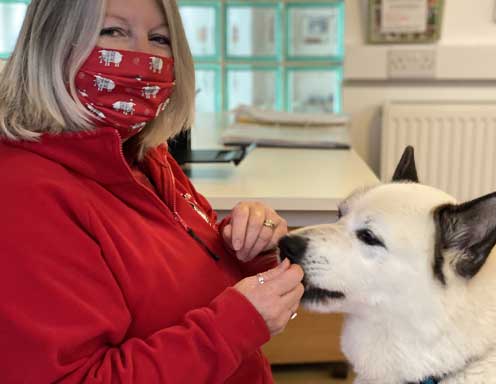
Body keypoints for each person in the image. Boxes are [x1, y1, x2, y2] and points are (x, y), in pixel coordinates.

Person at [0, 0, 304, 382]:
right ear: (50, 41)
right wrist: (238, 324)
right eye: (112, 31)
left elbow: (178, 285)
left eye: (160, 37)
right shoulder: (23, 196)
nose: (143, 54)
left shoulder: (142, 154)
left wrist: (249, 251)